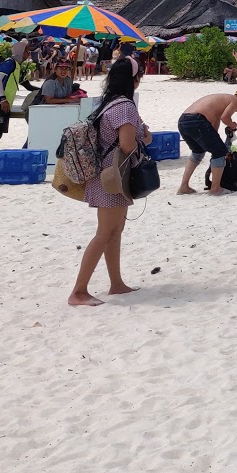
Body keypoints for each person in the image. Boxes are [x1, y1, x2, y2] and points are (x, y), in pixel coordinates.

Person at [69, 58, 152, 306]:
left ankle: (116, 283)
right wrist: (145, 140)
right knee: (106, 233)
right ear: (133, 79)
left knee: (113, 232)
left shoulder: (109, 103)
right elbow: (127, 144)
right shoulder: (125, 106)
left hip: (107, 176)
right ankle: (79, 291)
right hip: (113, 177)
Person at [176, 89, 237, 195]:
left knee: (198, 151)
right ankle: (215, 189)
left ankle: (184, 187)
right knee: (220, 152)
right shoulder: (235, 100)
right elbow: (225, 118)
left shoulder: (221, 103)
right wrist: (232, 125)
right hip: (197, 120)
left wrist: (219, 142)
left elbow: (213, 129)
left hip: (183, 121)